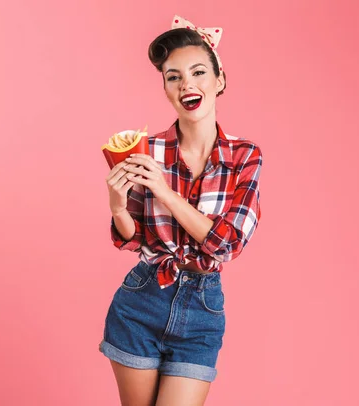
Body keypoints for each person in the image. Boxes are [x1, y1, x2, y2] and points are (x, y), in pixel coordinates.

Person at [99, 15, 263, 406]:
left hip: (203, 307)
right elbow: (133, 237)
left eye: (197, 72)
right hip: (141, 299)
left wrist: (165, 191)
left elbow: (228, 244)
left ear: (219, 80)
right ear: (167, 90)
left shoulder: (245, 156)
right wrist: (118, 205)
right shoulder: (146, 148)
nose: (186, 83)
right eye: (173, 77)